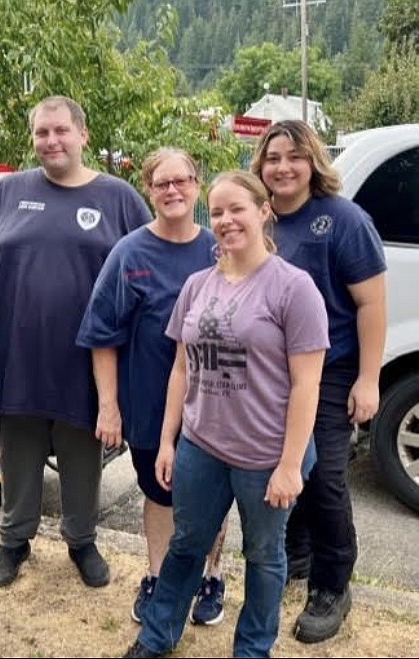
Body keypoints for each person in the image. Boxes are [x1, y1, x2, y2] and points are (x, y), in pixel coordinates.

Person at [122, 170, 329, 659]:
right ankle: (156, 638)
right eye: (216, 212)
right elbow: (180, 370)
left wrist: (288, 466)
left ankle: (252, 649)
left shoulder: (293, 289)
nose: (226, 220)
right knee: (186, 546)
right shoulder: (197, 286)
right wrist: (169, 441)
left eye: (237, 209)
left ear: (263, 211)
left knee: (264, 557)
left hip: (266, 456)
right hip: (202, 447)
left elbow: (307, 384)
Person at [0, 95, 151, 590]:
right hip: (16, 355)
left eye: (60, 131)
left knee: (82, 455)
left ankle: (81, 540)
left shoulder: (118, 198)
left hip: (88, 360)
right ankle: (13, 539)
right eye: (41, 132)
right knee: (17, 452)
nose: (51, 141)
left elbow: (148, 263)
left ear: (82, 135)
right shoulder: (6, 192)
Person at [77, 148, 229, 626]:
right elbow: (102, 336)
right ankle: (159, 577)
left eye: (181, 181)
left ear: (197, 186)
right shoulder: (130, 254)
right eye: (161, 183)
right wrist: (109, 407)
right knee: (160, 494)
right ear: (148, 189)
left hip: (215, 405)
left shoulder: (219, 249)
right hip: (146, 403)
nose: (172, 191)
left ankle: (210, 576)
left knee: (211, 497)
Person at [250, 119, 387, 643]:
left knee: (325, 475)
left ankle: (333, 584)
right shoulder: (258, 220)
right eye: (272, 157)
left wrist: (368, 379)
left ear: (313, 163)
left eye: (294, 156)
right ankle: (298, 553)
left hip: (330, 371)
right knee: (284, 466)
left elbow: (371, 303)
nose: (283, 167)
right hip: (269, 373)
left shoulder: (343, 219)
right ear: (260, 165)